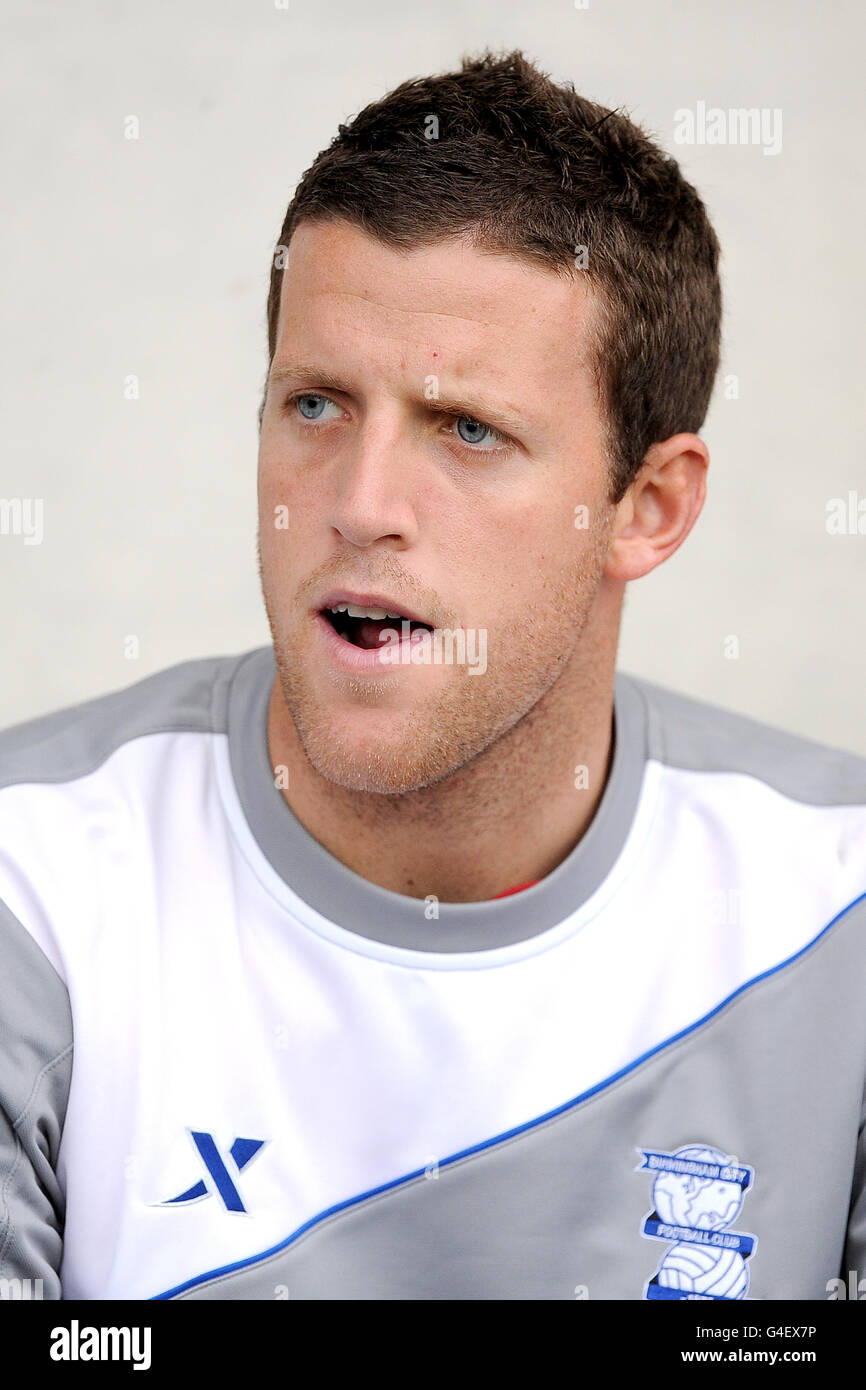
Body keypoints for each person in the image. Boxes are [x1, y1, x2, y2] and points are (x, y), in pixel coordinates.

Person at [1, 48, 864, 1303]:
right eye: (314, 405)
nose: (358, 505)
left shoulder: (833, 907)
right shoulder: (31, 883)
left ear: (647, 507)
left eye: (467, 430)